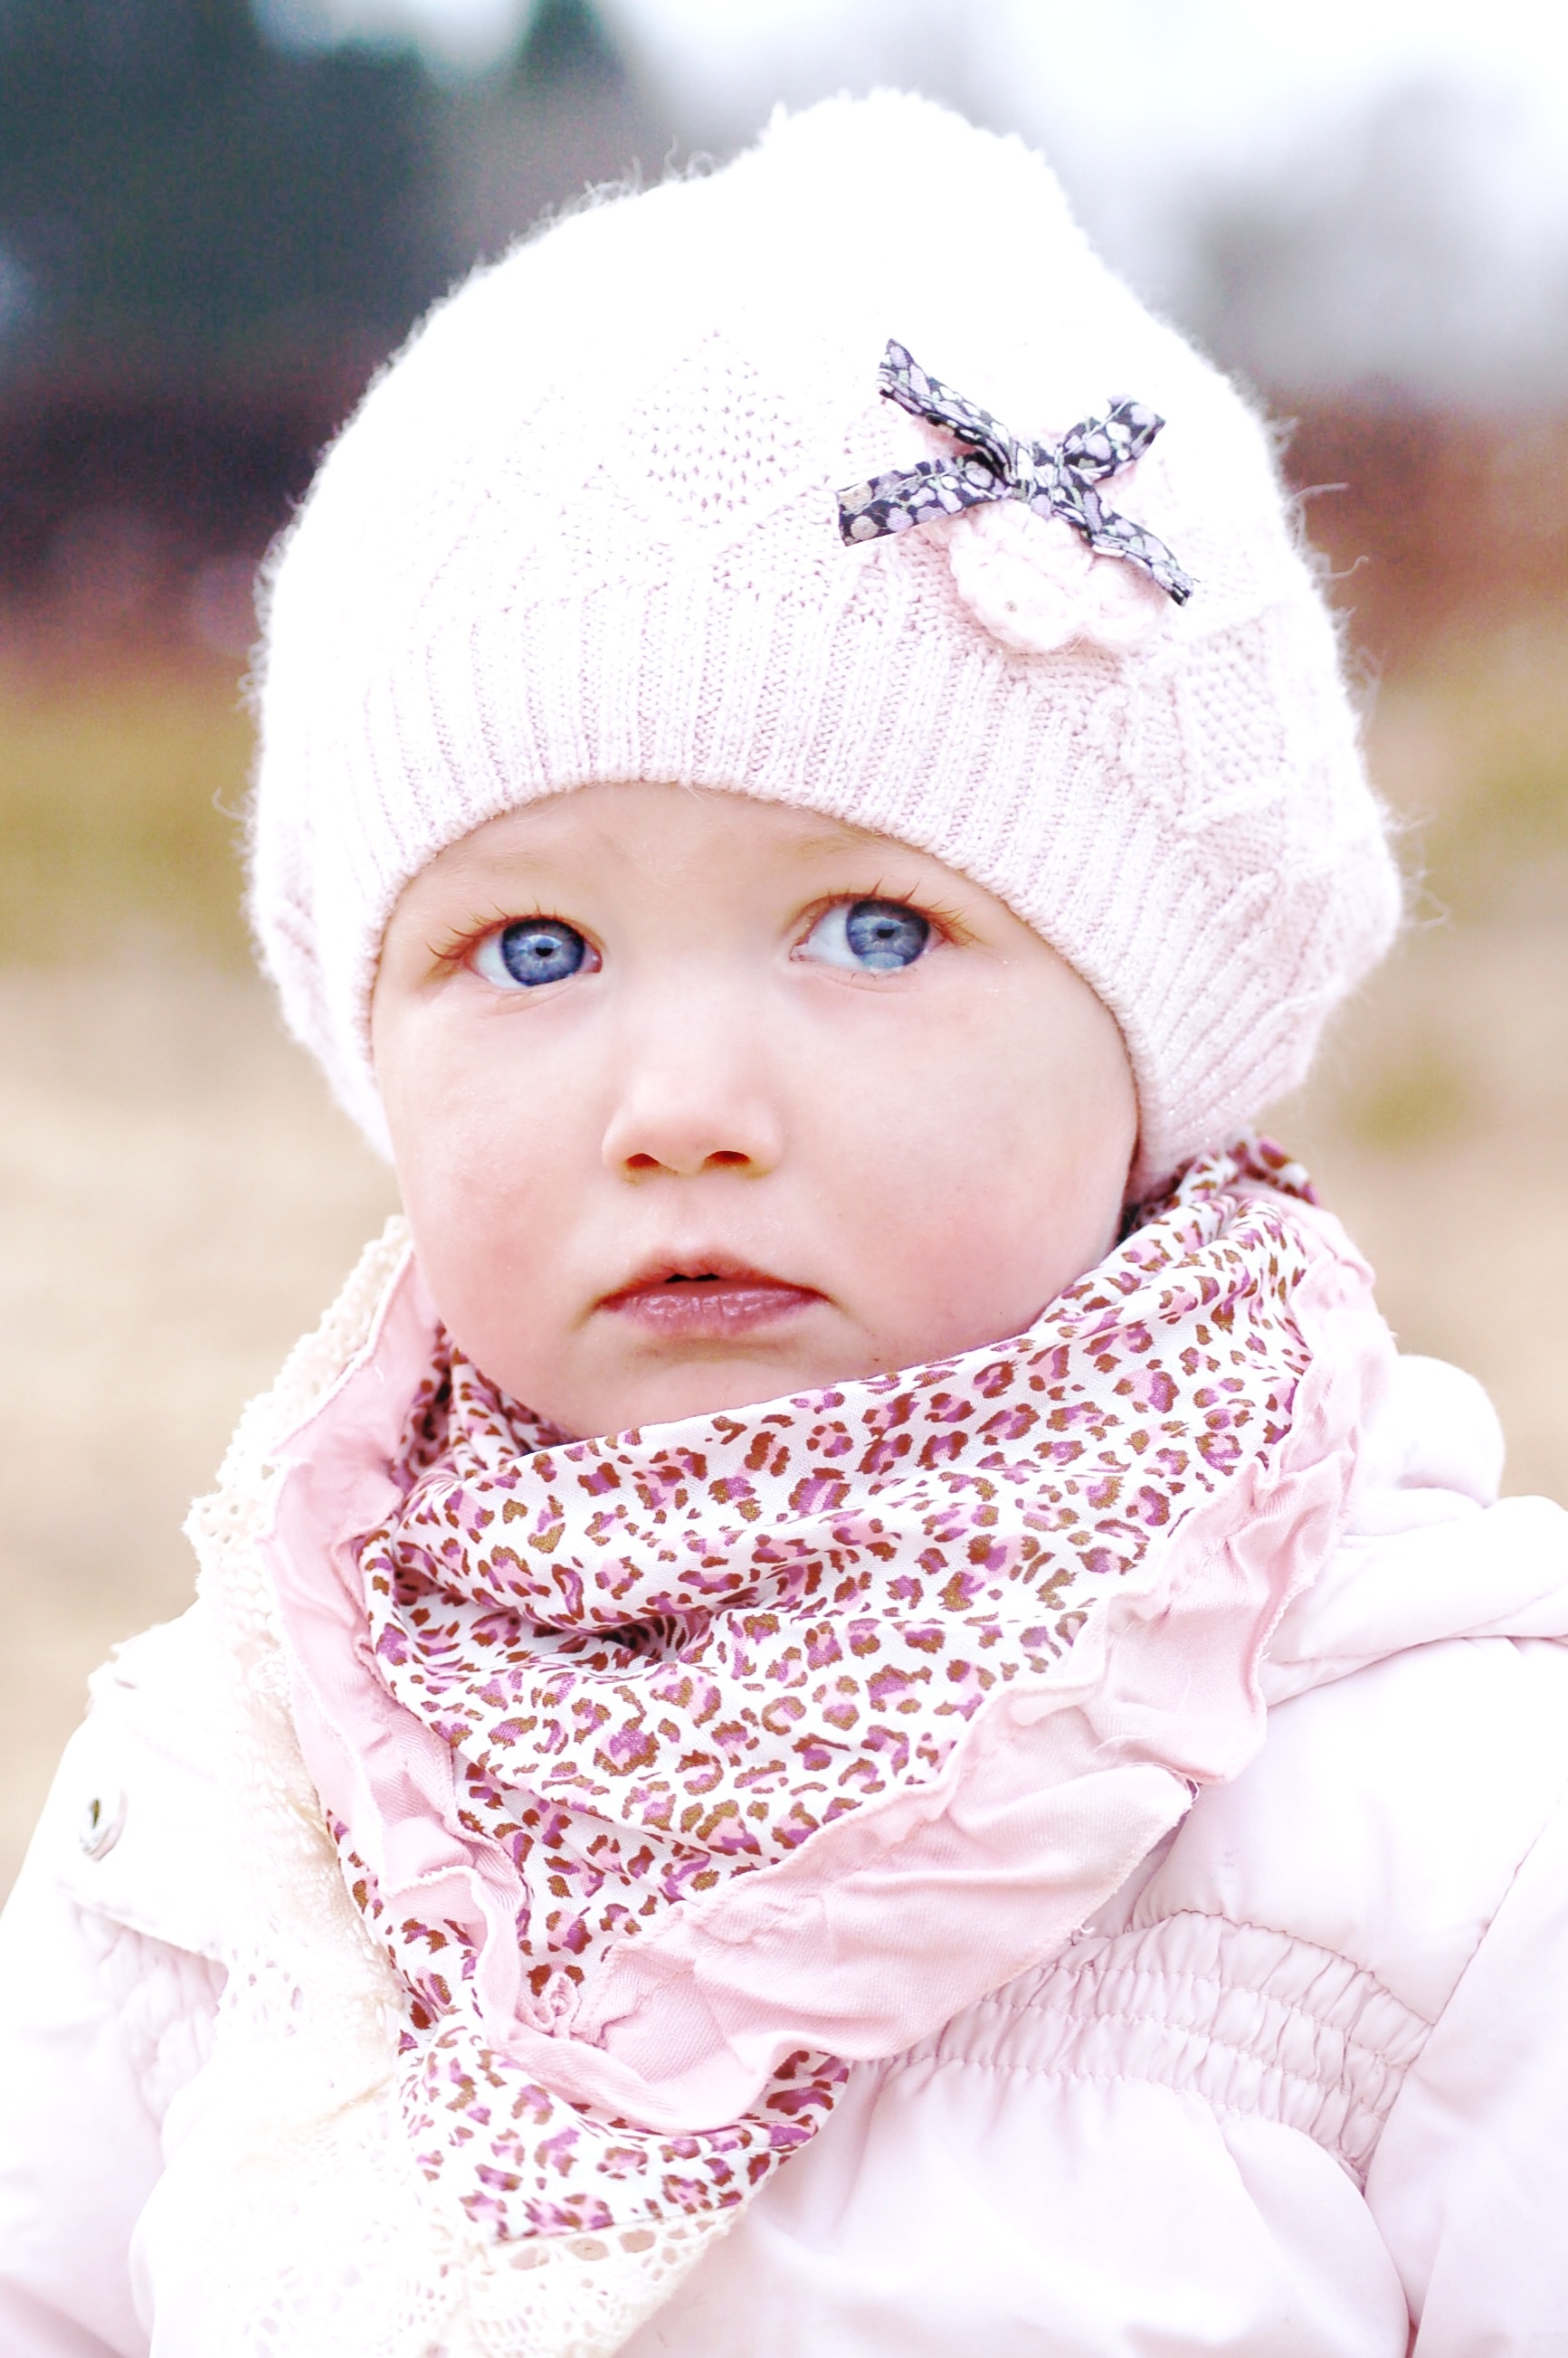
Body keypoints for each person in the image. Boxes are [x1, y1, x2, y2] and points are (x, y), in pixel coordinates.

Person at [3, 90, 1567, 2358]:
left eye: (872, 931)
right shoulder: (229, 1795)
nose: (684, 1110)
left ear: (1153, 1029)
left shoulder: (1442, 1821)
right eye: (534, 950)